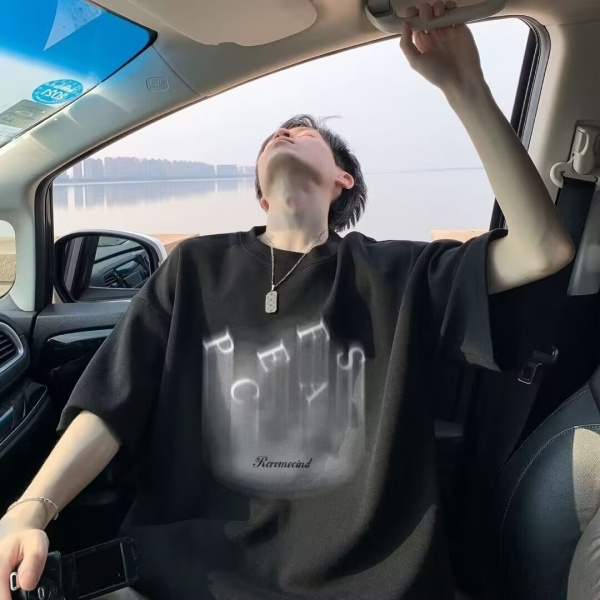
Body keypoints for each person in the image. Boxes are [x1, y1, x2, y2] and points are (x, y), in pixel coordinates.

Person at [0, 3, 575, 600]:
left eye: (307, 135)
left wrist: (465, 85)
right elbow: (110, 405)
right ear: (260, 192)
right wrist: (30, 510)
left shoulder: (401, 272)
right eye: (274, 136)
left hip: (365, 588)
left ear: (342, 180)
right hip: (183, 582)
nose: (285, 132)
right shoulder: (193, 266)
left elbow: (544, 249)